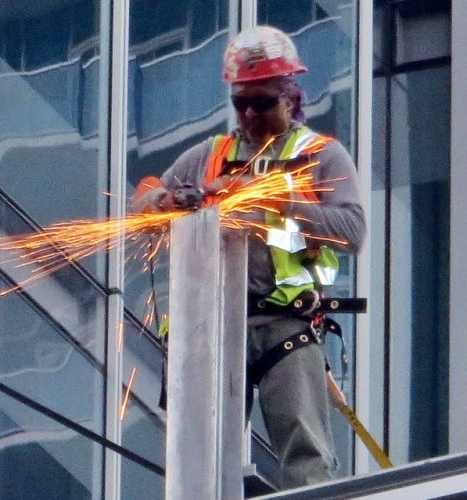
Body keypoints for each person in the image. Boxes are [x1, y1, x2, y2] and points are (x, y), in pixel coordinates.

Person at [132, 25, 365, 489]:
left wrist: (277, 200)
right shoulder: (212, 154)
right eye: (242, 104)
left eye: (263, 102)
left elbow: (352, 230)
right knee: (197, 455)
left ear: (290, 98)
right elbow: (143, 201)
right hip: (211, 326)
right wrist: (168, 201)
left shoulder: (320, 155)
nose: (251, 114)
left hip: (286, 324)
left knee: (306, 453)